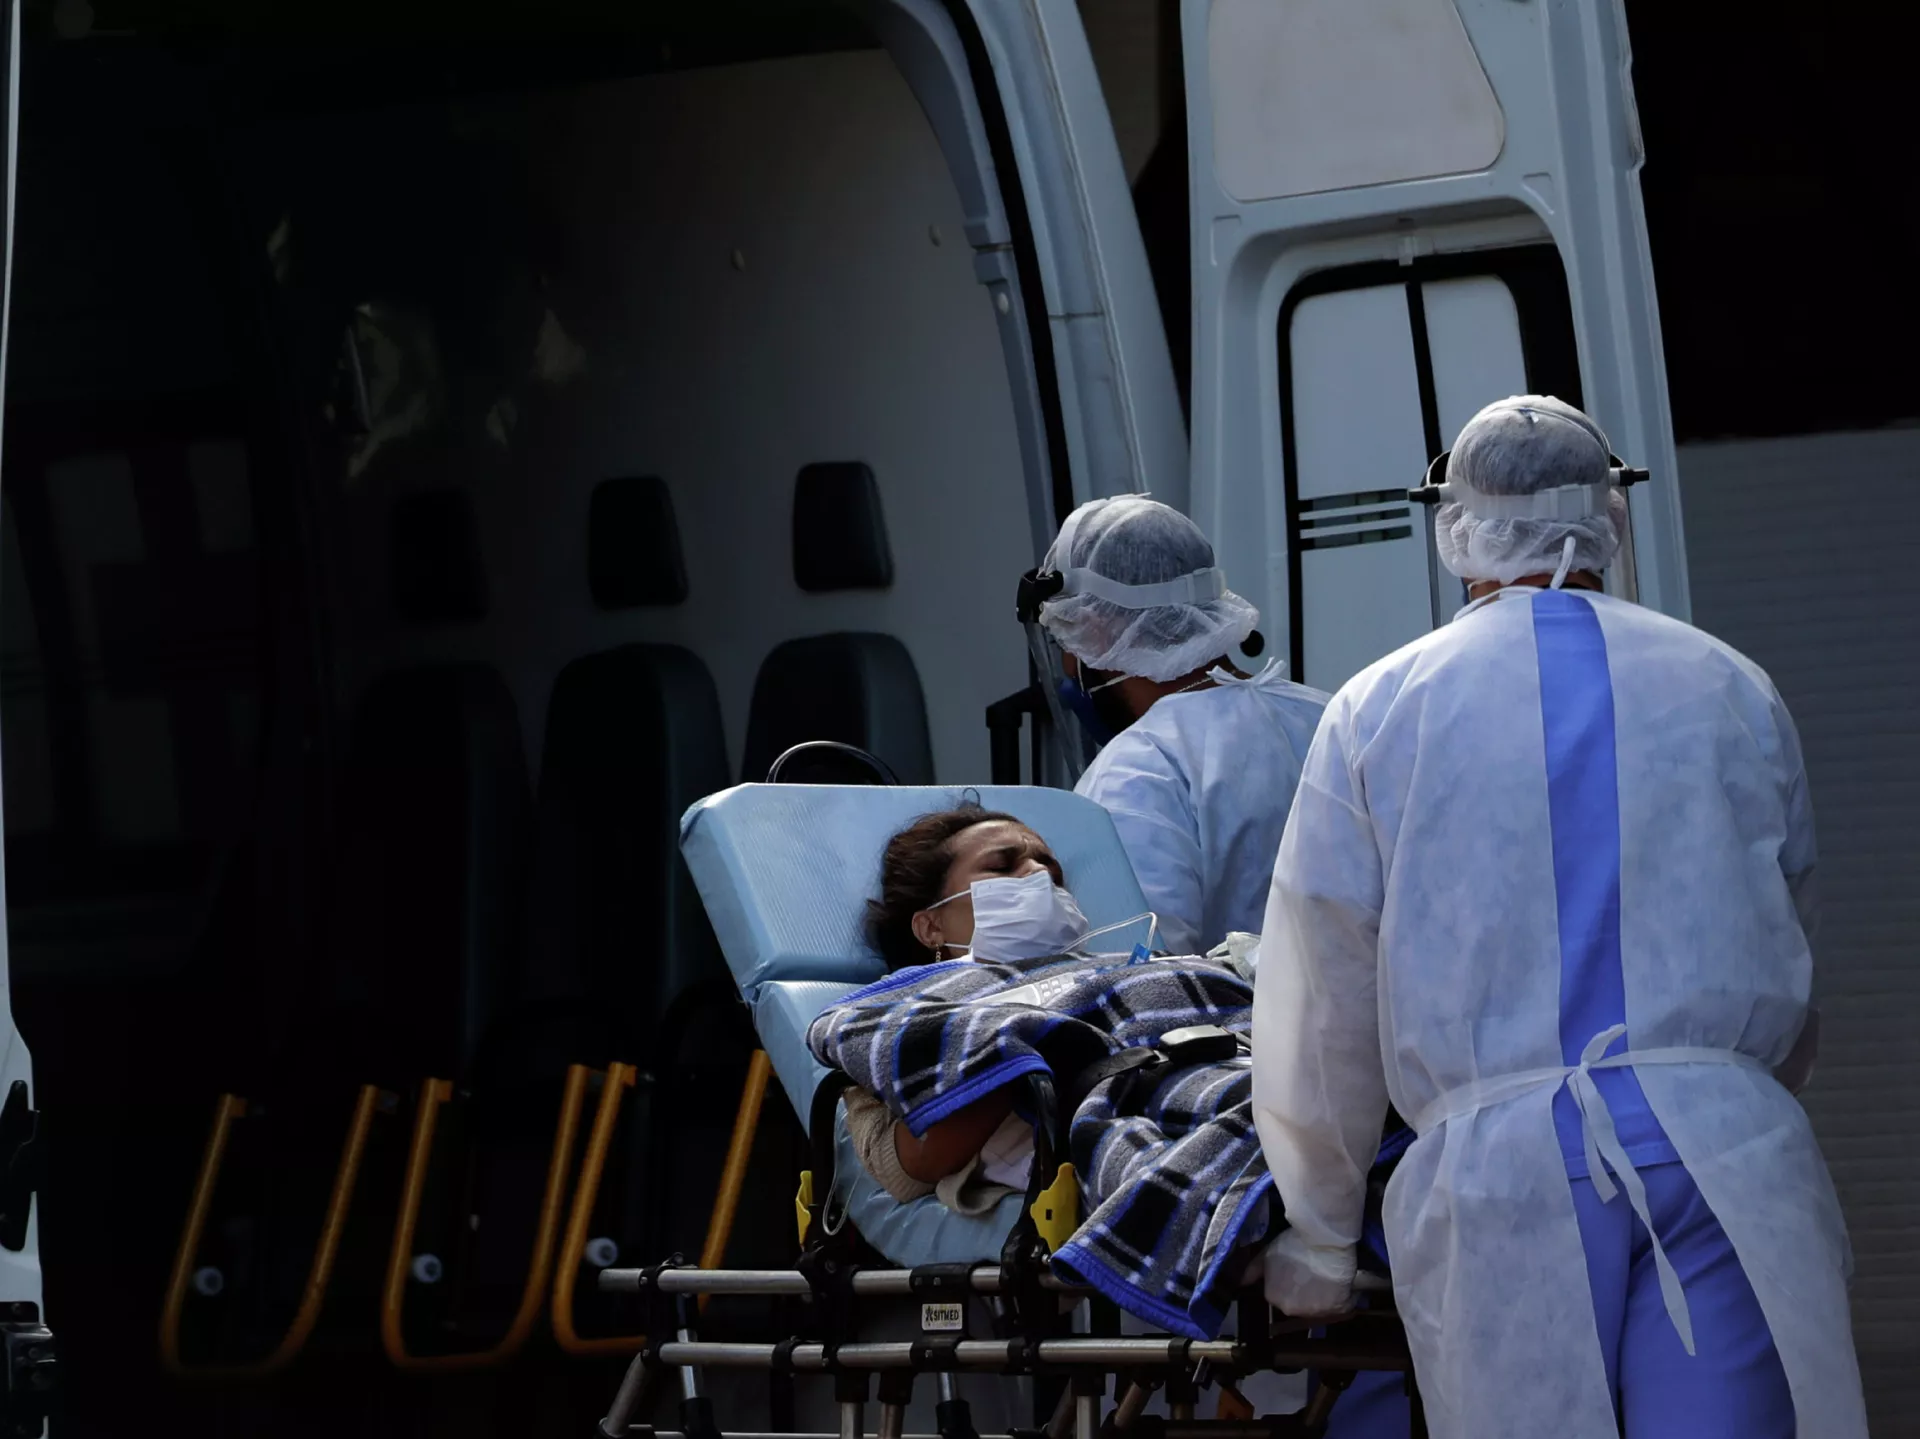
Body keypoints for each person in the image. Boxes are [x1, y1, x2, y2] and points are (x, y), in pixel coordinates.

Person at [1251, 396, 1867, 1438]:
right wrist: (1725, 1082)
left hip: (1506, 1177)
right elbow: (1791, 925)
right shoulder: (1729, 683)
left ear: (1455, 527)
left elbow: (1322, 994)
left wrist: (1319, 1231)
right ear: (1611, 514)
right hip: (1724, 1154)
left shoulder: (1381, 707)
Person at [1033, 496, 1329, 956]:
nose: (1069, 663)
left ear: (1095, 626)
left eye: (1063, 637)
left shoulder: (1137, 772)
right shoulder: (1329, 714)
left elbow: (1137, 968)